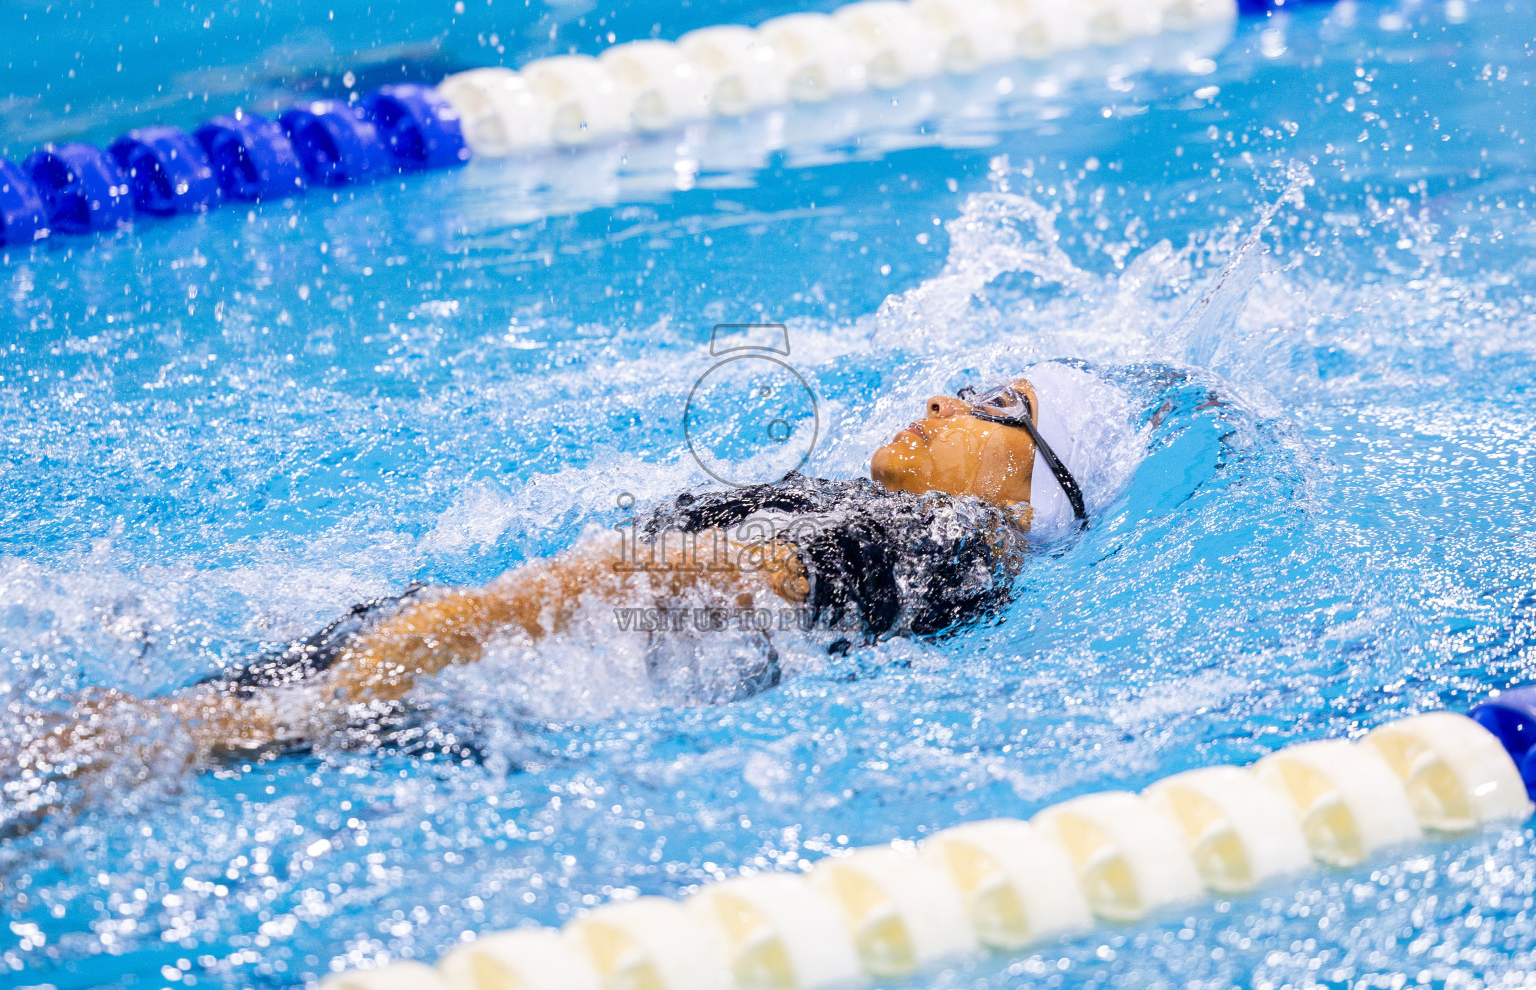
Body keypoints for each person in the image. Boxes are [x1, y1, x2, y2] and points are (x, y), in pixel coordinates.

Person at [11, 361, 1137, 776]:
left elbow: (731, 580)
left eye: (1000, 407)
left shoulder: (945, 542)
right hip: (516, 653)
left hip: (502, 661)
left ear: (1031, 487)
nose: (946, 399)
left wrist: (472, 618)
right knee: (136, 736)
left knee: (139, 741)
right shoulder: (909, 524)